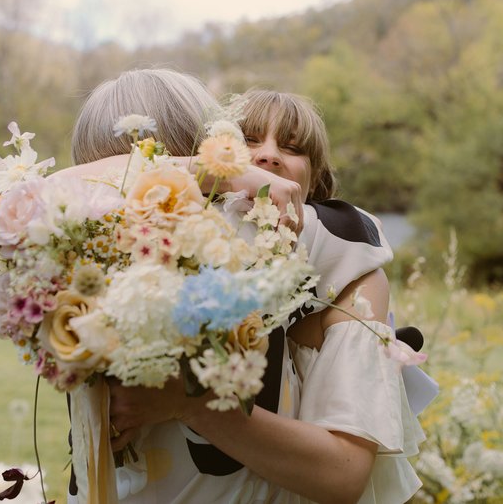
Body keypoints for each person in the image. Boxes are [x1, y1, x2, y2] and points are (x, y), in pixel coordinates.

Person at [63, 71, 424, 503]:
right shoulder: (79, 250)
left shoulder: (289, 236)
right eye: (249, 146)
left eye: (291, 148)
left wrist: (189, 401)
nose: (133, 208)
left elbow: (360, 232)